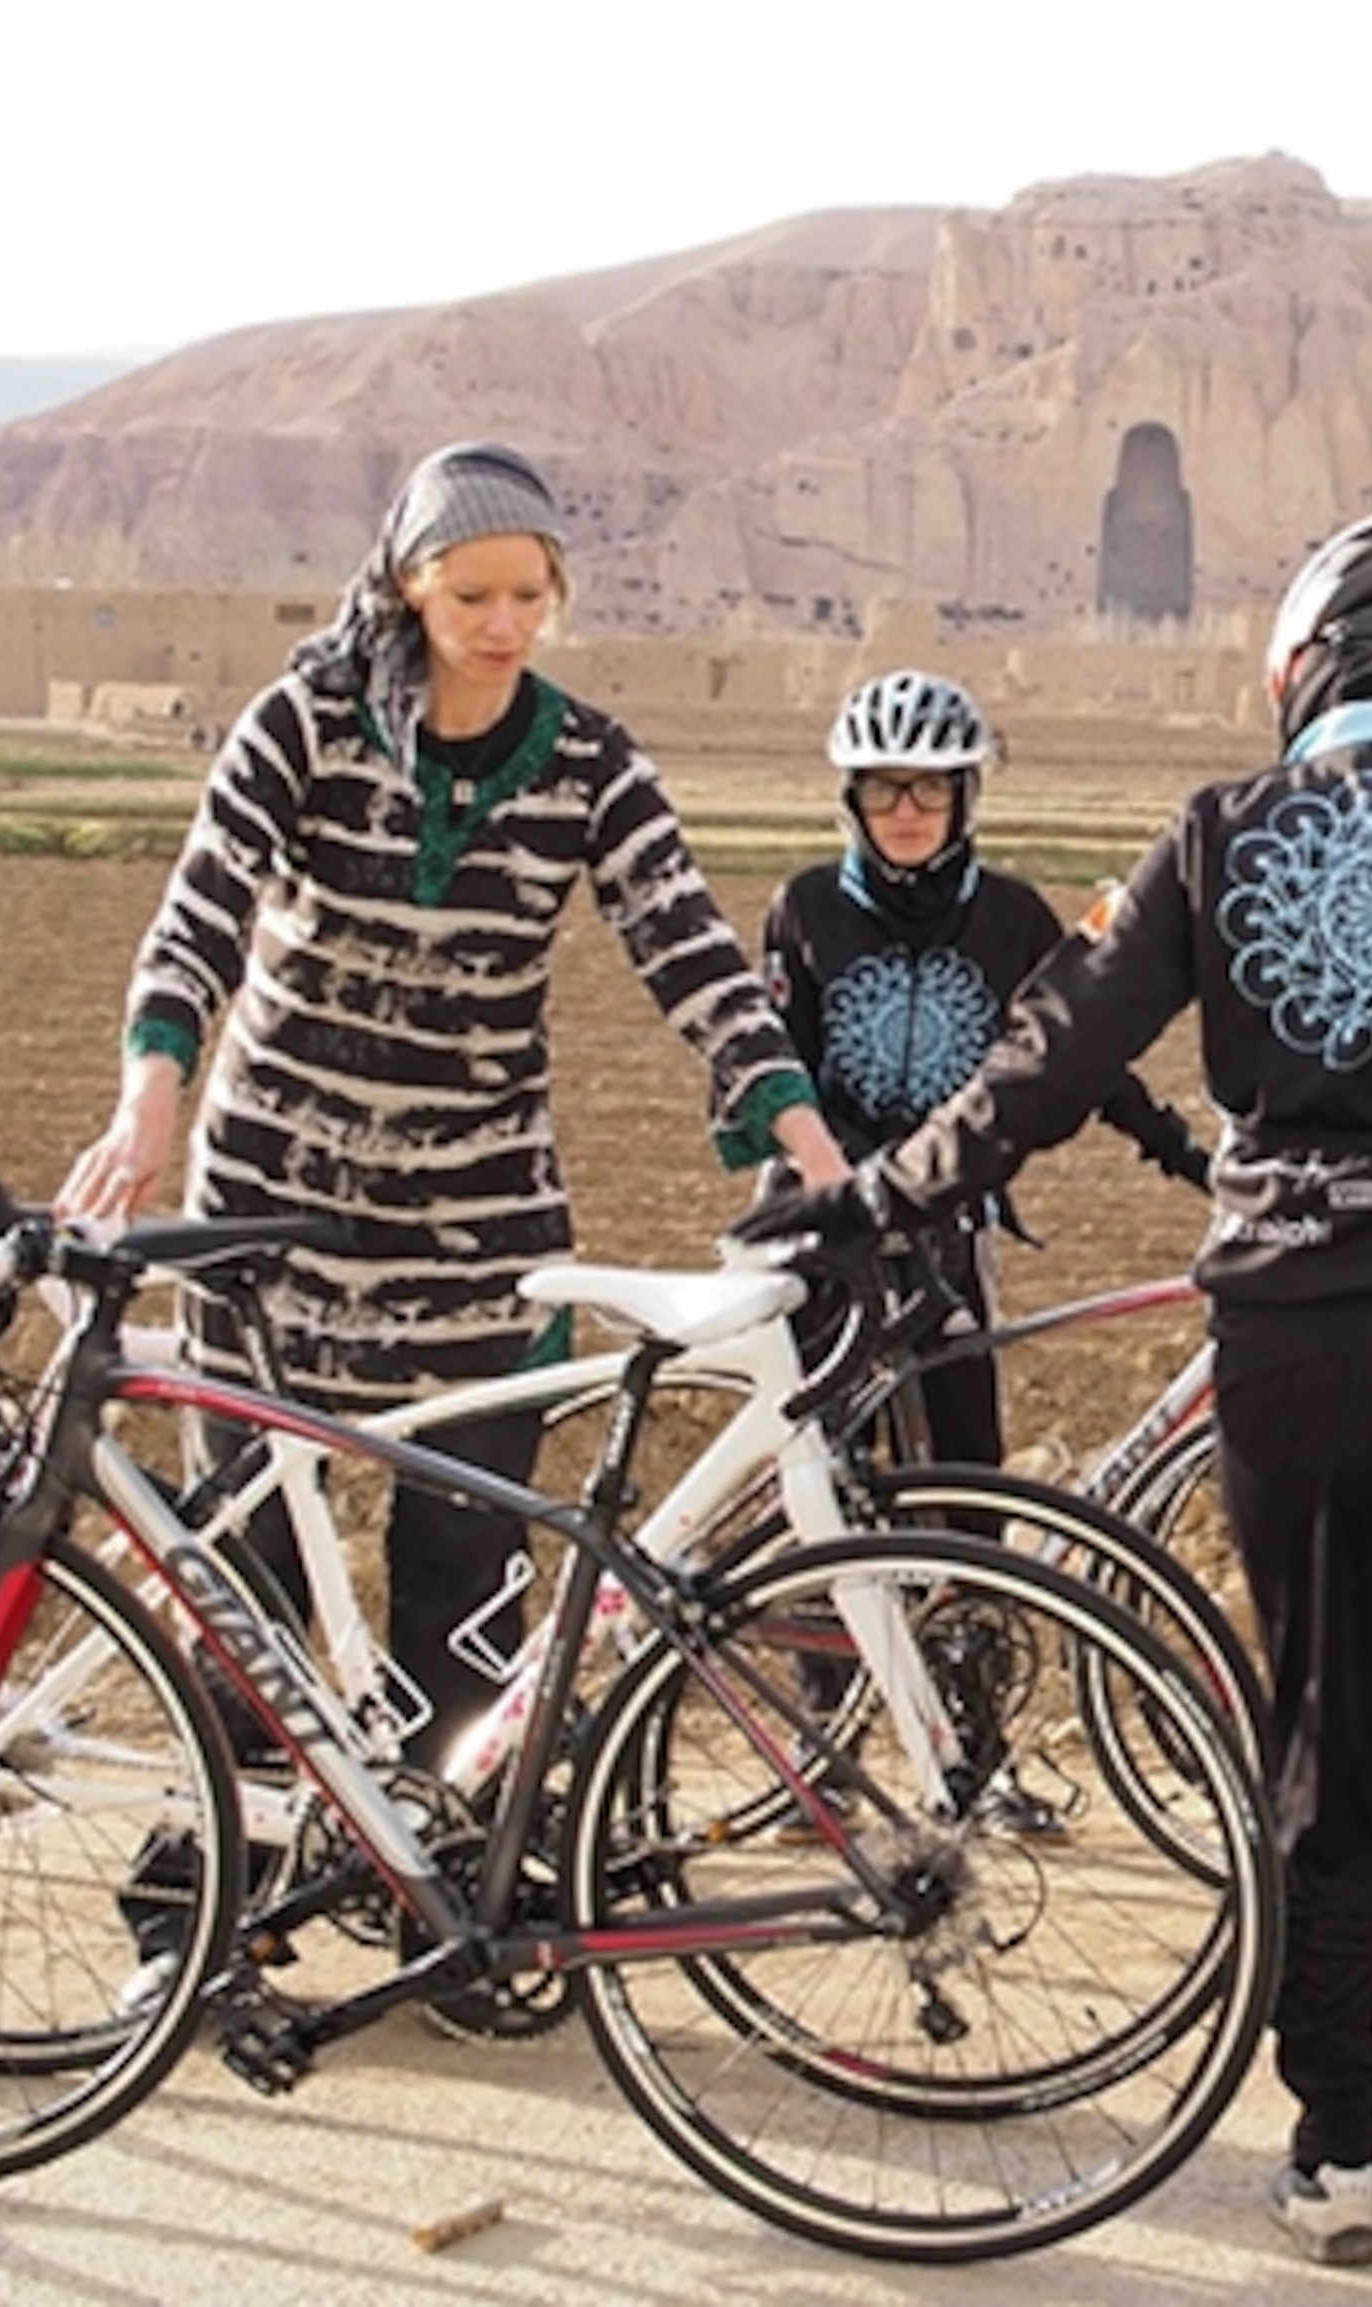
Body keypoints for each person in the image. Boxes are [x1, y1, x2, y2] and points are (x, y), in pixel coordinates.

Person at [735, 510, 1372, 2307]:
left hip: (1291, 1343)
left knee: (1326, 1749)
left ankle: (1334, 2151)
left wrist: (871, 1200)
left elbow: (1045, 1060)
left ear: (1300, 676)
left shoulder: (1221, 831)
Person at [57, 440, 849, 1771]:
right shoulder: (305, 720)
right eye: (472, 596)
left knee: (465, 1578)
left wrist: (809, 1141)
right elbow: (200, 915)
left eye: (529, 597)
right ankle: (215, 1897)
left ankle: (439, 1880)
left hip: (480, 1238)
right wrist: (151, 1098)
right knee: (249, 1587)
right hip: (269, 1225)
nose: (502, 627)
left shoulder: (591, 764)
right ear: (409, 586)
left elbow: (691, 951)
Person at [759, 667, 1207, 1467]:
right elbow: (778, 1062)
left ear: (966, 796)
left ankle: (971, 1590)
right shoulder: (806, 908)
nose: (905, 814)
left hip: (949, 1217)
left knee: (964, 1453)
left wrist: (1186, 1154)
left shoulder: (1011, 917)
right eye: (882, 790)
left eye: (929, 791)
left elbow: (1083, 1053)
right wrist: (836, 1170)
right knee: (822, 1459)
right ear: (849, 797)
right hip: (832, 1216)